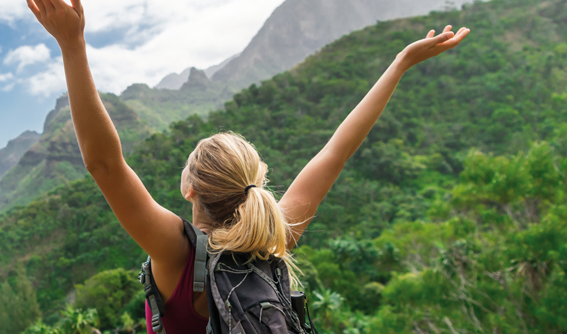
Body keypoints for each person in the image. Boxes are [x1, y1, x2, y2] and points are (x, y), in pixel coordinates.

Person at [26, 0, 469, 332]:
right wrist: (399, 64)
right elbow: (335, 152)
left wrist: (72, 44)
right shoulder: (275, 236)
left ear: (190, 189)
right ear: (255, 185)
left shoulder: (174, 252)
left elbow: (105, 164)